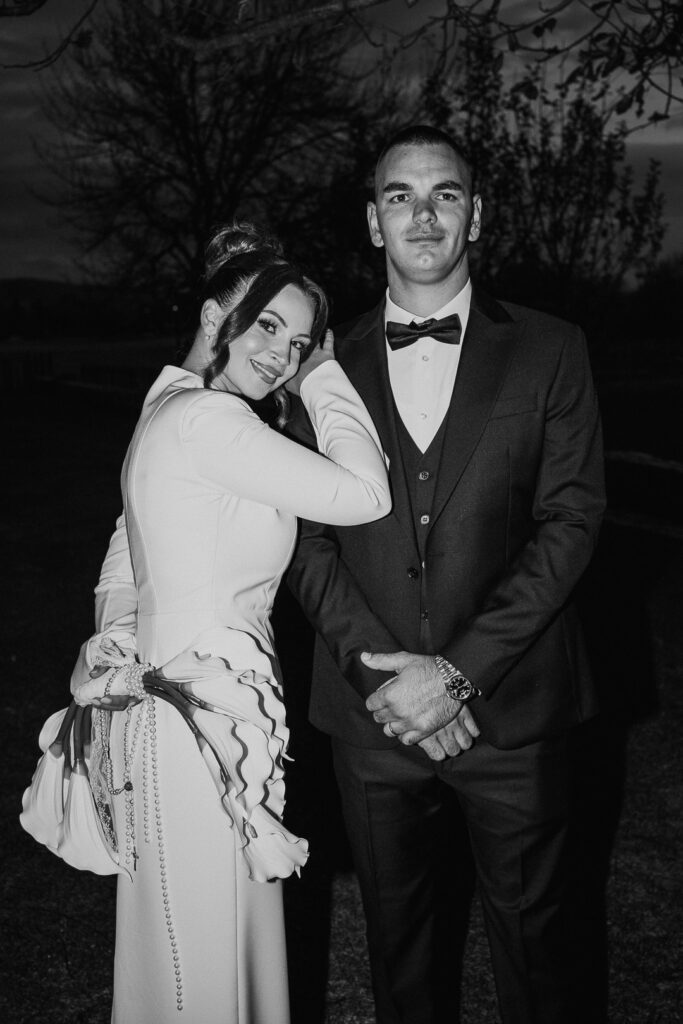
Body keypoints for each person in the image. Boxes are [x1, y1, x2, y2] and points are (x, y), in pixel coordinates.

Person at [286, 124, 606, 1024]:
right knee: (401, 957)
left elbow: (571, 521)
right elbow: (303, 538)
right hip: (370, 717)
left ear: (477, 215)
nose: (422, 215)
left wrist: (457, 673)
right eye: (400, 196)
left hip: (515, 709)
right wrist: (386, 681)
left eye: (445, 194)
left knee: (542, 957)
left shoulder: (551, 347)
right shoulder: (318, 363)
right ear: (371, 220)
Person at [64, 223, 391, 1024]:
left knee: (206, 945)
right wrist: (323, 375)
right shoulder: (208, 420)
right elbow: (365, 493)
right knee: (201, 958)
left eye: (300, 342)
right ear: (215, 316)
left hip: (192, 713)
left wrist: (131, 653)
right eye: (268, 327)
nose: (283, 353)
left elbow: (121, 561)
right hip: (196, 726)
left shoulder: (169, 406)